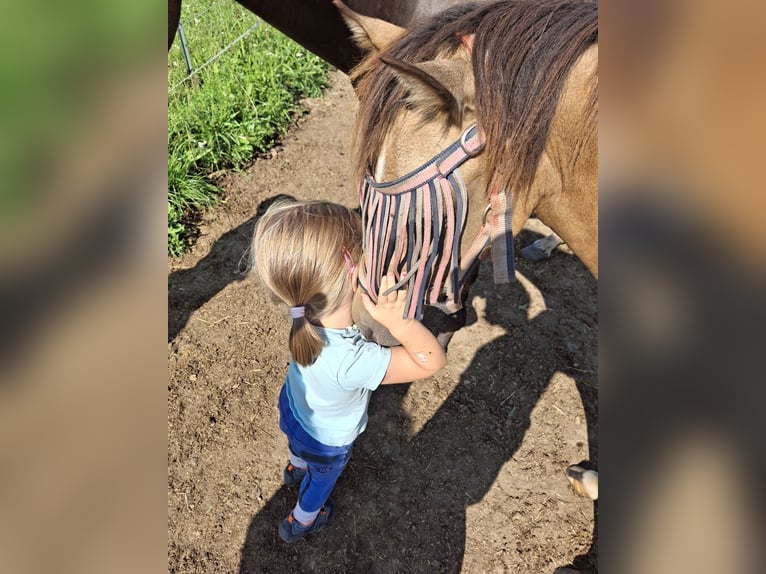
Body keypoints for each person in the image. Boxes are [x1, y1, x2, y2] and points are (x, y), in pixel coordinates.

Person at [250, 199, 447, 543]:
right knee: (320, 484)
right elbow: (431, 361)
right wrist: (399, 321)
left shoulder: (302, 316)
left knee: (297, 445)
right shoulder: (354, 361)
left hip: (293, 410)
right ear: (352, 269)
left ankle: (295, 466)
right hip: (327, 444)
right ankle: (302, 519)